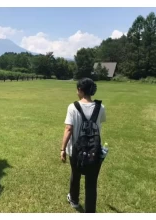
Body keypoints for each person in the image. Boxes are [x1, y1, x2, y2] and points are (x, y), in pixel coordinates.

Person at [60, 77, 106, 213]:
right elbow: (100, 122)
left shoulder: (72, 107)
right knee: (91, 182)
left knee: (75, 174)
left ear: (80, 90)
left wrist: (62, 149)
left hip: (76, 150)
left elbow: (68, 128)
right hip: (94, 150)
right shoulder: (100, 107)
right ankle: (90, 211)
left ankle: (74, 200)